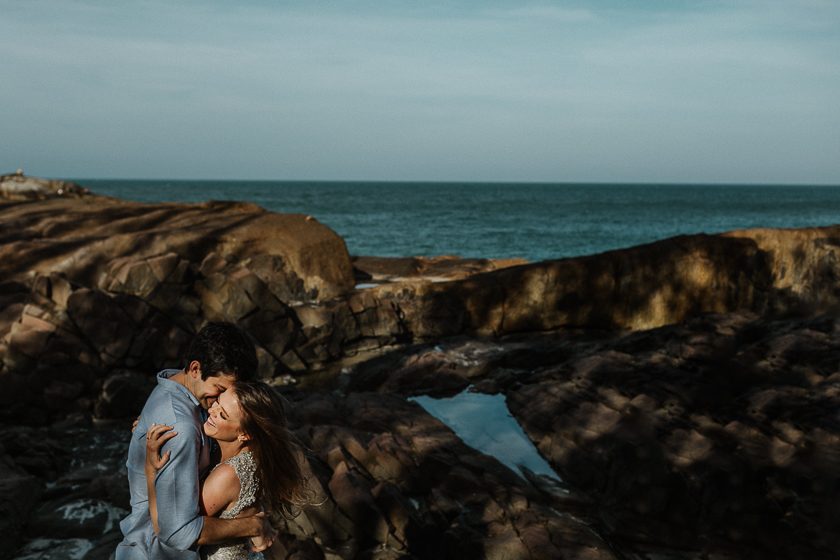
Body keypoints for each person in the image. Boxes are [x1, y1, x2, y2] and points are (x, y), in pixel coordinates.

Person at [116, 322, 276, 560]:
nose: (216, 403)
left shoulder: (176, 391)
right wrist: (252, 526)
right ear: (195, 368)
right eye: (219, 389)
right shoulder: (180, 428)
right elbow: (177, 532)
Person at [145, 380, 312, 560]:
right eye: (217, 401)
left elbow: (174, 530)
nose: (212, 411)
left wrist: (150, 472)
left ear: (245, 434)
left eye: (223, 415)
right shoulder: (239, 451)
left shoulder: (229, 474)